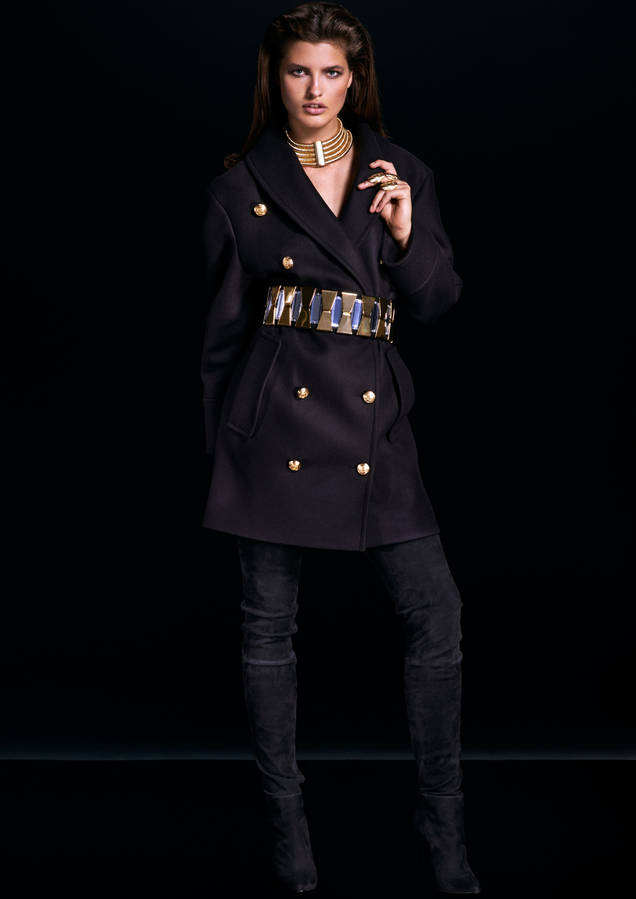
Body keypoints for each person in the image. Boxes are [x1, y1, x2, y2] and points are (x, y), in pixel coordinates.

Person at [200, 2, 480, 894]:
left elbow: (437, 301)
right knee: (266, 631)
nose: (314, 90)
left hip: (373, 426)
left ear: (354, 79)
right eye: (298, 71)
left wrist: (404, 232)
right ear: (274, 77)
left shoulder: (400, 171)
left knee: (437, 616)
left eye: (331, 72)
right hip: (271, 427)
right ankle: (289, 832)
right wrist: (223, 455)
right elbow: (219, 341)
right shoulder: (239, 187)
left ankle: (442, 821)